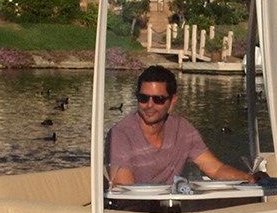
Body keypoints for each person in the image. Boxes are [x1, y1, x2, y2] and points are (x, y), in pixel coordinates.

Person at [106, 65, 254, 186]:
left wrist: (249, 178)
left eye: (158, 99)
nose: (149, 105)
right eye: (143, 98)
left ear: (173, 100)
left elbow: (216, 170)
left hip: (172, 211)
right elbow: (124, 188)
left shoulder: (182, 129)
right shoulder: (120, 134)